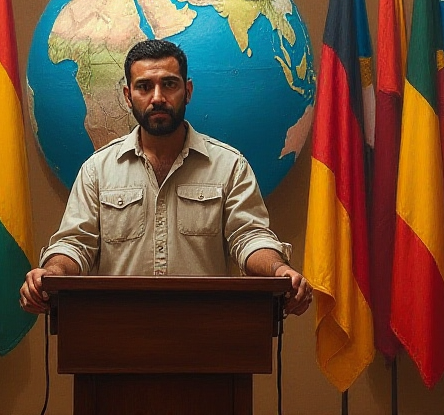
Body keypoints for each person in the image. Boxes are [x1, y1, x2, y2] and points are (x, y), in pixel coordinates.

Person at [19, 39, 312, 316]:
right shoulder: (98, 170)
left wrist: (279, 270)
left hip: (207, 332)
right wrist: (51, 273)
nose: (157, 98)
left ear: (188, 91)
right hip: (118, 333)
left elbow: (248, 237)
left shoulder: (229, 166)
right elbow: (75, 244)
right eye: (144, 87)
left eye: (169, 84)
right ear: (127, 96)